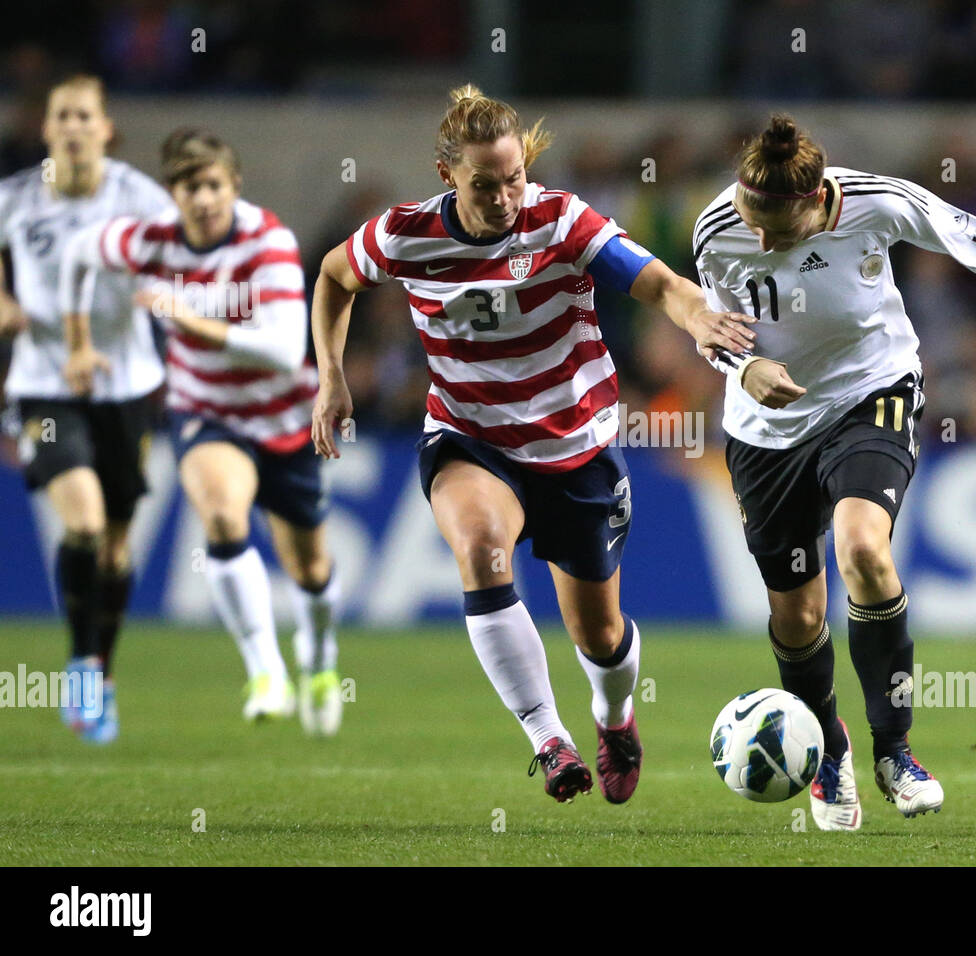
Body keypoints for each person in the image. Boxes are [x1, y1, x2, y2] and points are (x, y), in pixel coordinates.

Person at [692, 115, 976, 831]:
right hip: (766, 429)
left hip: (870, 392)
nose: (764, 241)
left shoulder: (880, 202)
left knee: (864, 549)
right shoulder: (719, 226)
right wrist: (743, 367)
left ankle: (894, 751)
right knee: (798, 613)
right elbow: (708, 329)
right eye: (755, 221)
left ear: (819, 199)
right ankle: (828, 750)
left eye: (780, 228)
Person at [310, 85, 756, 804]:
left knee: (600, 633)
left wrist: (697, 317)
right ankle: (549, 739)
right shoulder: (404, 234)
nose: (504, 196)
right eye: (484, 185)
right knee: (482, 554)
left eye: (513, 177)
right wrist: (331, 375)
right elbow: (335, 276)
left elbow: (658, 282)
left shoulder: (560, 222)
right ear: (445, 174)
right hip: (469, 436)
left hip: (575, 445)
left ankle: (614, 717)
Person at [60, 128, 344, 735]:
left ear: (233, 186)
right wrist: (79, 340)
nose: (204, 198)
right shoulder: (150, 240)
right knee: (220, 516)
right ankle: (265, 669)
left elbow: (281, 346)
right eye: (190, 187)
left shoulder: (267, 240)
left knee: (311, 570)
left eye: (213, 184)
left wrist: (186, 316)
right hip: (206, 411)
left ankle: (318, 657)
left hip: (286, 417)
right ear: (173, 194)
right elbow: (78, 253)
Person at [0, 75, 171, 743]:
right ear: (46, 129)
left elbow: (176, 261)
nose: (72, 126)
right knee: (85, 523)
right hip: (46, 386)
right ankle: (79, 664)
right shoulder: (15, 199)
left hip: (128, 388)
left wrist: (159, 294)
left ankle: (101, 667)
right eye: (61, 115)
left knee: (117, 546)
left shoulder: (138, 197)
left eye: (84, 116)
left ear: (105, 129)